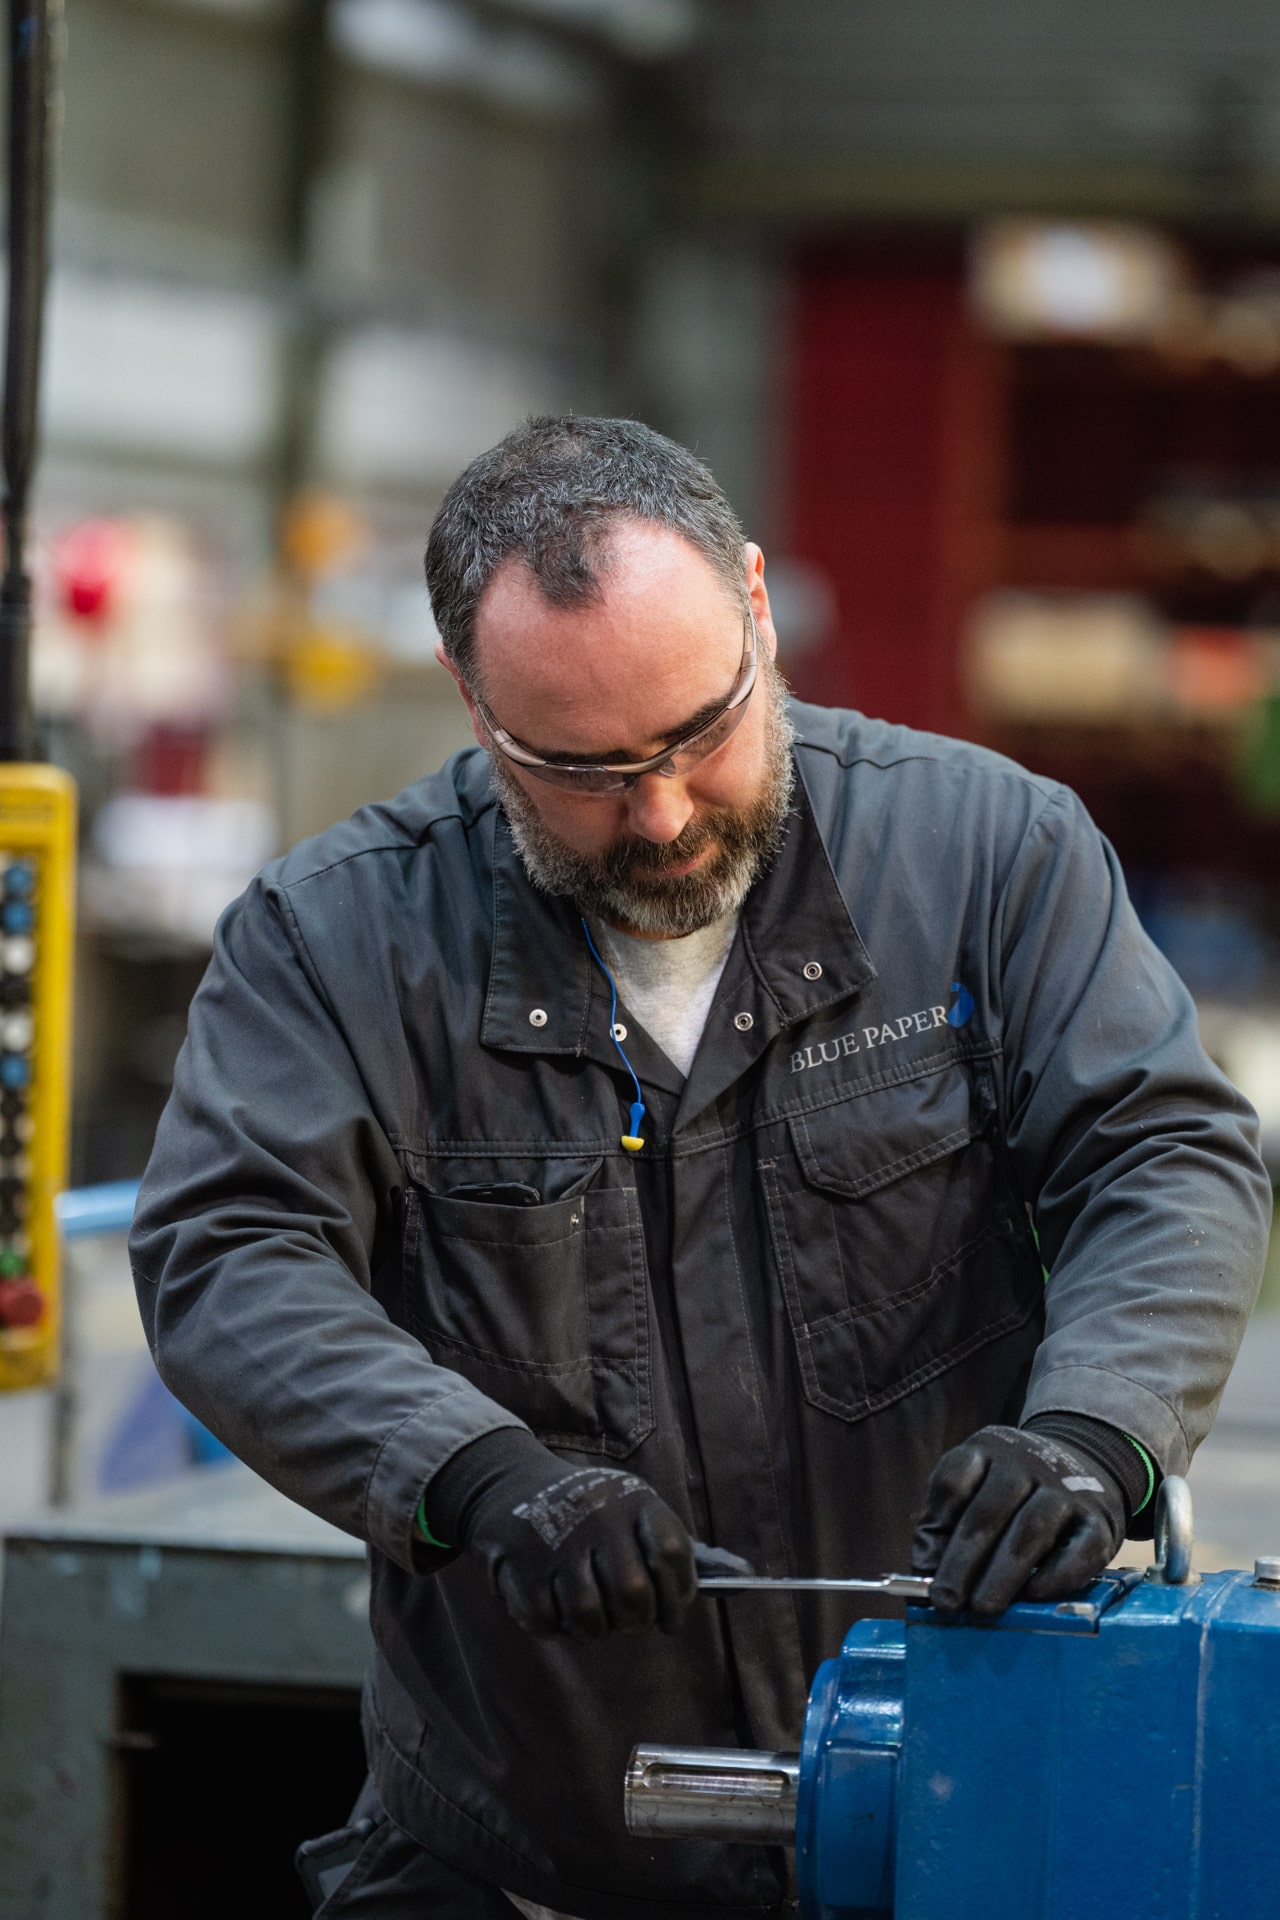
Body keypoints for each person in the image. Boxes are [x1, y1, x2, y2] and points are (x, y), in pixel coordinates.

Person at [131, 416, 1271, 1920]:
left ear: (756, 606)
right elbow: (231, 1254)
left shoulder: (989, 854)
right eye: (583, 769)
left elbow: (1163, 1153)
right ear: (474, 704)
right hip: (523, 1854)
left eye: (699, 734)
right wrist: (480, 1479)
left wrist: (1094, 1433)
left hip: (955, 1825)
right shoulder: (334, 945)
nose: (662, 816)